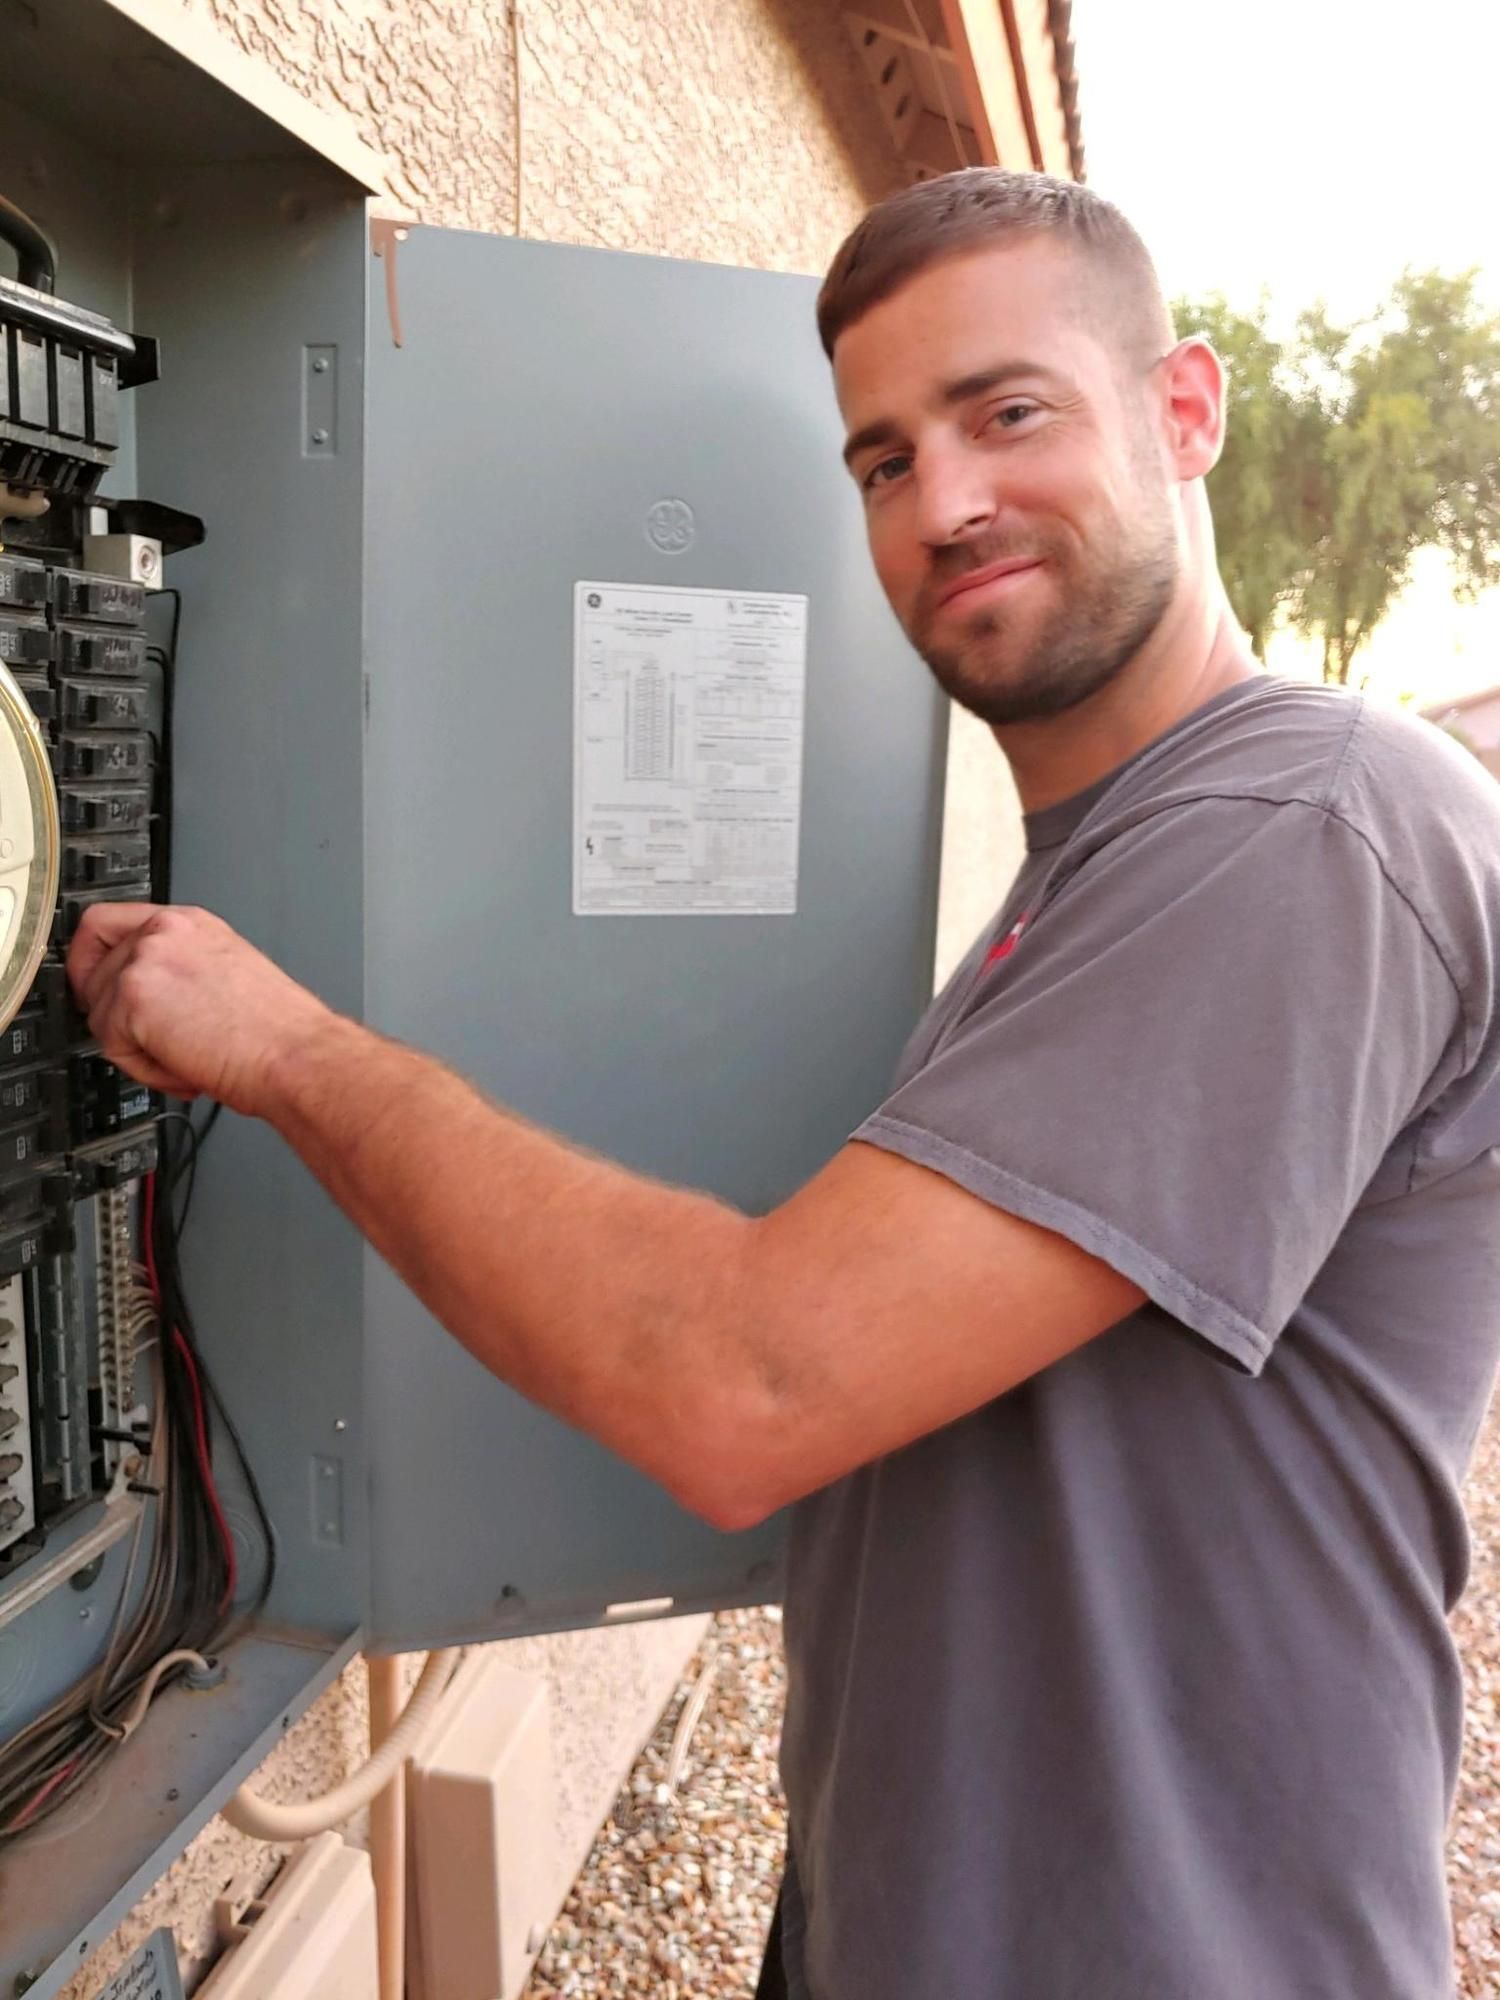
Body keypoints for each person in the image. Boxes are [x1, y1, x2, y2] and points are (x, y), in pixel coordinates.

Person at [67, 170, 1500, 1999]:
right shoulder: (1099, 870)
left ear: (1186, 408)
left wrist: (279, 1044)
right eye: (883, 460)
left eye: (1008, 412)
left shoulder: (1308, 829)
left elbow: (742, 1387)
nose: (946, 501)